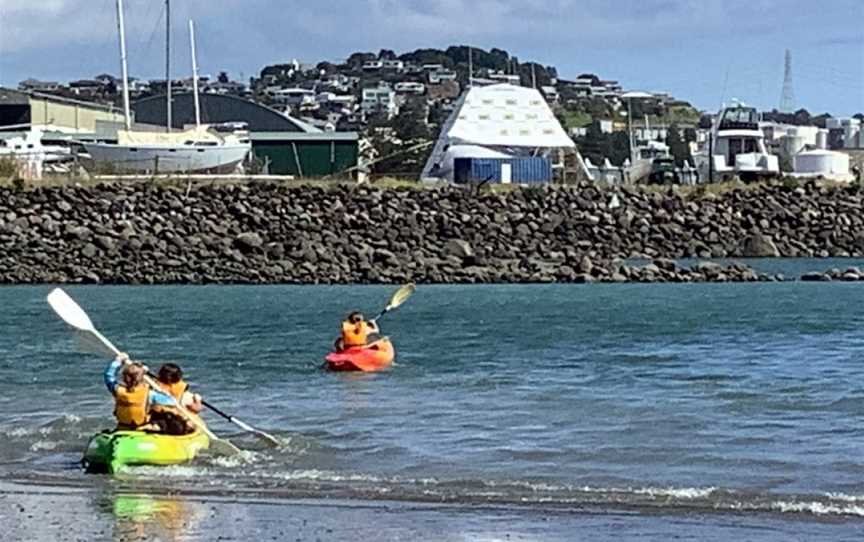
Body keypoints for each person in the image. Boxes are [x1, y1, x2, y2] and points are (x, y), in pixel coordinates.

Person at [103, 352, 174, 432]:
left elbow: (108, 376)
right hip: (141, 428)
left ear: (124, 377)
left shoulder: (117, 390)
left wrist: (117, 361)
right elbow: (172, 402)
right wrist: (166, 393)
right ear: (142, 378)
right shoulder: (150, 394)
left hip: (122, 427)